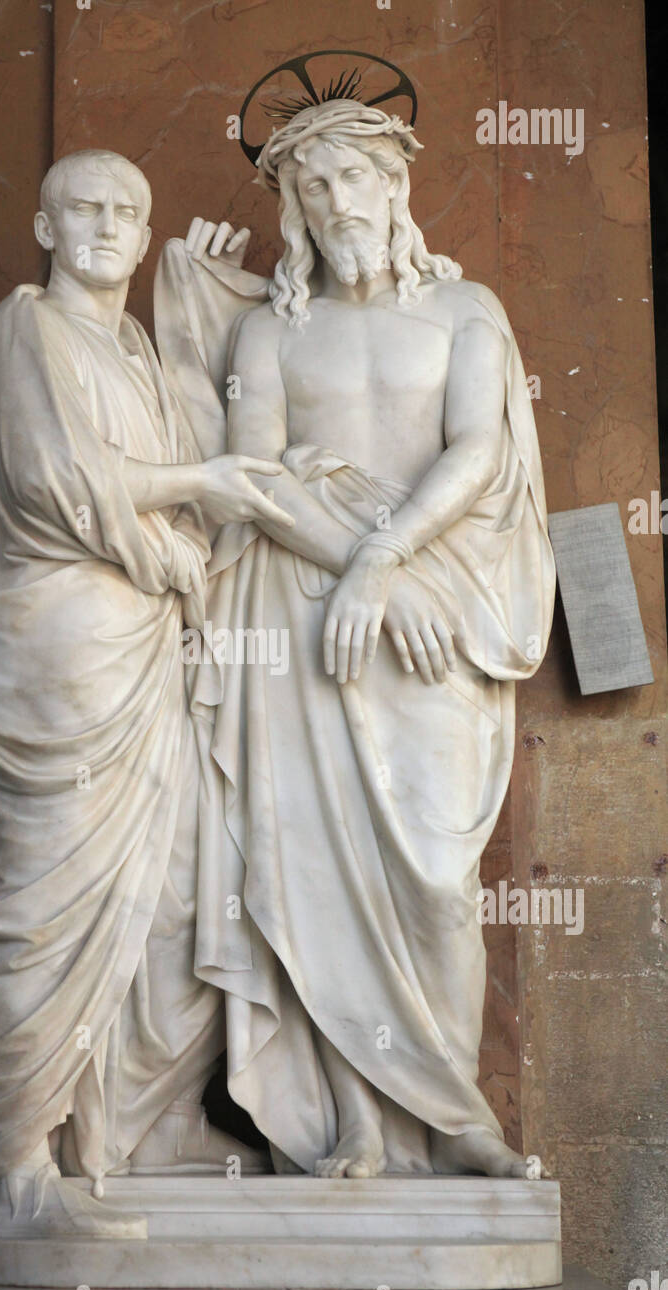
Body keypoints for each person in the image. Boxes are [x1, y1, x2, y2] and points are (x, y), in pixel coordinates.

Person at [154, 101, 556, 1179]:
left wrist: (387, 566)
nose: (337, 203)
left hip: (433, 605)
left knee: (431, 877)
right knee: (315, 870)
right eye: (313, 186)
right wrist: (353, 567)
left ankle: (456, 1112)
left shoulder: (466, 309)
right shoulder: (269, 330)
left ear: (394, 187)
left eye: (354, 179)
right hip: (298, 616)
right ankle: (360, 1128)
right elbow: (255, 479)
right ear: (292, 205)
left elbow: (476, 448)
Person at [0, 149, 286, 1240]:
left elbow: (211, 454)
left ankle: (144, 1119)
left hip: (146, 655)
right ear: (44, 226)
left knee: (177, 890)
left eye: (127, 212)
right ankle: (18, 1165)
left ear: (143, 239)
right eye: (82, 206)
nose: (105, 224)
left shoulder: (132, 342)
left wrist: (199, 300)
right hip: (53, 661)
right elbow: (55, 478)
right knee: (44, 910)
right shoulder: (23, 328)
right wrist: (185, 497)